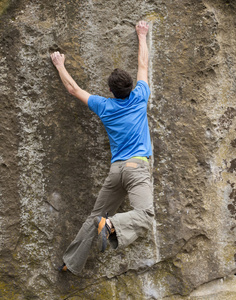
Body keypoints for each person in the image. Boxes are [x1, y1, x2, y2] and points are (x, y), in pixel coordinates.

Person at [50, 21, 154, 275]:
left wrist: (59, 64)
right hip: (137, 167)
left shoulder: (104, 106)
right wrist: (142, 35)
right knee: (146, 215)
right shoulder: (141, 95)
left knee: (95, 216)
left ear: (110, 90)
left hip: (116, 170)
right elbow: (143, 65)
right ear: (131, 87)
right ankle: (111, 225)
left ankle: (70, 262)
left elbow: (73, 89)